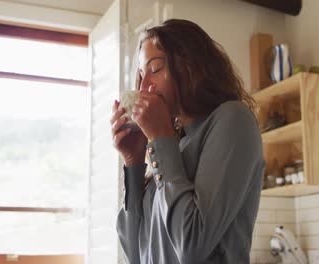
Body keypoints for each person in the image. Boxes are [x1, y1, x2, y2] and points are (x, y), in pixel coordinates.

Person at [111, 19, 265, 264]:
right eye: (141, 75)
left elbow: (191, 245)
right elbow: (135, 253)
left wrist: (160, 139)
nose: (144, 87)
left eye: (155, 69)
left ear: (189, 67)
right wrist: (133, 163)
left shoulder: (233, 120)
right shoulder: (173, 146)